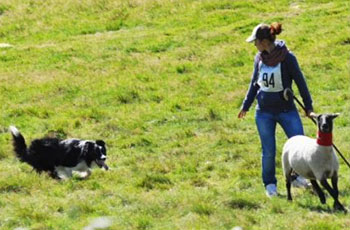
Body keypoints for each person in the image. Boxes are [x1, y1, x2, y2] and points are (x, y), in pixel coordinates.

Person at [238, 22, 315, 197]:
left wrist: (308, 107)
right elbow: (254, 84)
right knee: (268, 151)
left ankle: (297, 178)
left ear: (264, 41)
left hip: (287, 111)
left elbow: (300, 83)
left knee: (299, 145)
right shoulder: (259, 58)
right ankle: (270, 185)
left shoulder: (288, 58)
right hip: (263, 113)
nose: (254, 45)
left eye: (255, 41)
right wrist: (246, 105)